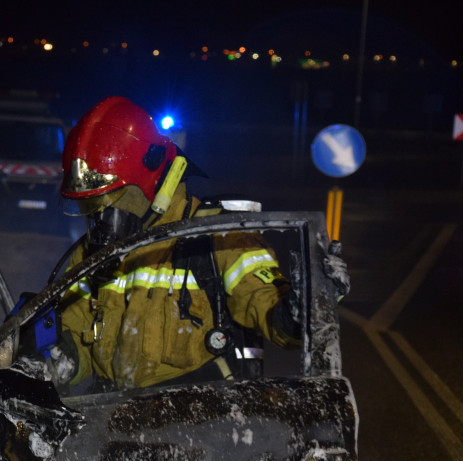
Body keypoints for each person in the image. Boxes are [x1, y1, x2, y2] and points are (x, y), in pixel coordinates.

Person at [50, 96, 302, 390]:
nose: (100, 219)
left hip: (199, 425)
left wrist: (299, 308)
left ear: (150, 183)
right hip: (110, 422)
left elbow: (275, 318)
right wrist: (55, 363)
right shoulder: (91, 253)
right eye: (91, 206)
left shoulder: (219, 237)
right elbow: (75, 333)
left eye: (112, 202)